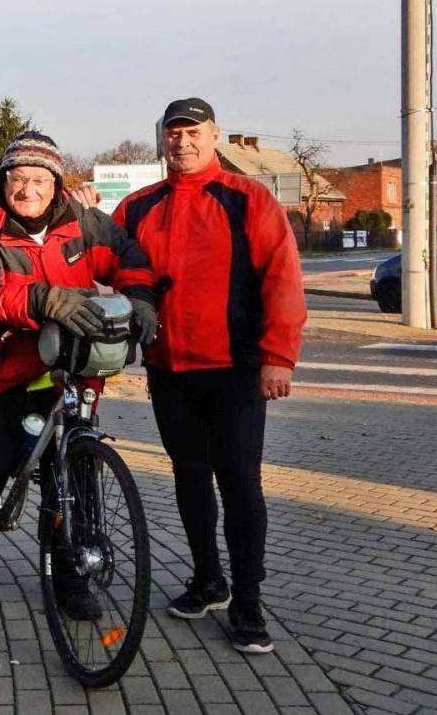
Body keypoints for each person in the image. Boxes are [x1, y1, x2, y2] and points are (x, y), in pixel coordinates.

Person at [0, 131, 157, 620]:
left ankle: (70, 576)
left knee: (73, 471)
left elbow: (129, 259)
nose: (27, 189)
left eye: (39, 179)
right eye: (18, 177)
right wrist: (43, 299)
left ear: (56, 184)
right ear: (3, 180)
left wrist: (141, 301)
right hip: (4, 371)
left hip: (69, 369)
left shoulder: (82, 222)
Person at [110, 98, 306, 654]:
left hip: (235, 370)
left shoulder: (249, 198)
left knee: (240, 483)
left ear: (215, 134)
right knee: (190, 479)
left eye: (193, 131)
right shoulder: (138, 206)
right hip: (169, 369)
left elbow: (282, 278)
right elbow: (101, 258)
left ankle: (248, 602)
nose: (183, 141)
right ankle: (208, 579)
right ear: (163, 139)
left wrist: (278, 355)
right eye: (174, 133)